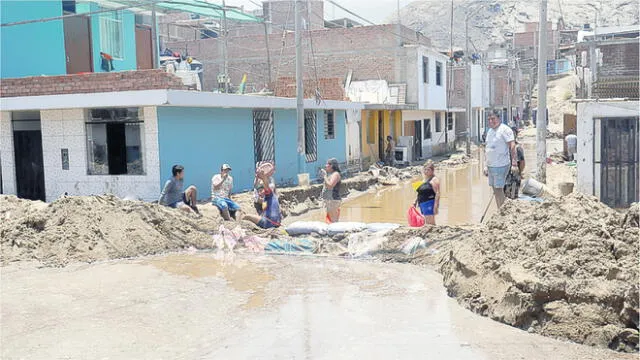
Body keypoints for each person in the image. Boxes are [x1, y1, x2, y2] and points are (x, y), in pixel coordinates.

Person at [484, 111, 519, 209]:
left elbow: (512, 146)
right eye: (489, 119)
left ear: (499, 118)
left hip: (501, 165)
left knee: (499, 189)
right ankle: (499, 209)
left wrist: (514, 164)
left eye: (493, 119)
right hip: (491, 165)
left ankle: (503, 211)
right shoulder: (490, 131)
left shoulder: (505, 130)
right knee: (495, 190)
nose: (491, 121)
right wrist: (485, 166)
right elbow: (487, 149)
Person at [414, 160, 440, 225]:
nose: (426, 171)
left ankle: (433, 234)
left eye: (428, 170)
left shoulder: (434, 179)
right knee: (427, 221)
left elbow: (437, 193)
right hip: (423, 203)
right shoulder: (424, 179)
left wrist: (436, 206)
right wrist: (415, 201)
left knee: (430, 222)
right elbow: (420, 192)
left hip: (429, 203)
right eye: (425, 170)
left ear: (432, 171)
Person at [504, 127, 525, 199]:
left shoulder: (517, 148)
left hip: (512, 177)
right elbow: (522, 163)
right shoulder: (504, 147)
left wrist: (519, 172)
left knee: (511, 196)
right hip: (505, 176)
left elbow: (522, 162)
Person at [319, 158, 342, 223]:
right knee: (329, 221)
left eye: (327, 164)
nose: (325, 166)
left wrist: (325, 176)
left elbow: (330, 185)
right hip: (329, 201)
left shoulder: (336, 174)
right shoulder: (331, 174)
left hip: (333, 201)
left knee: (333, 221)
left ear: (331, 165)